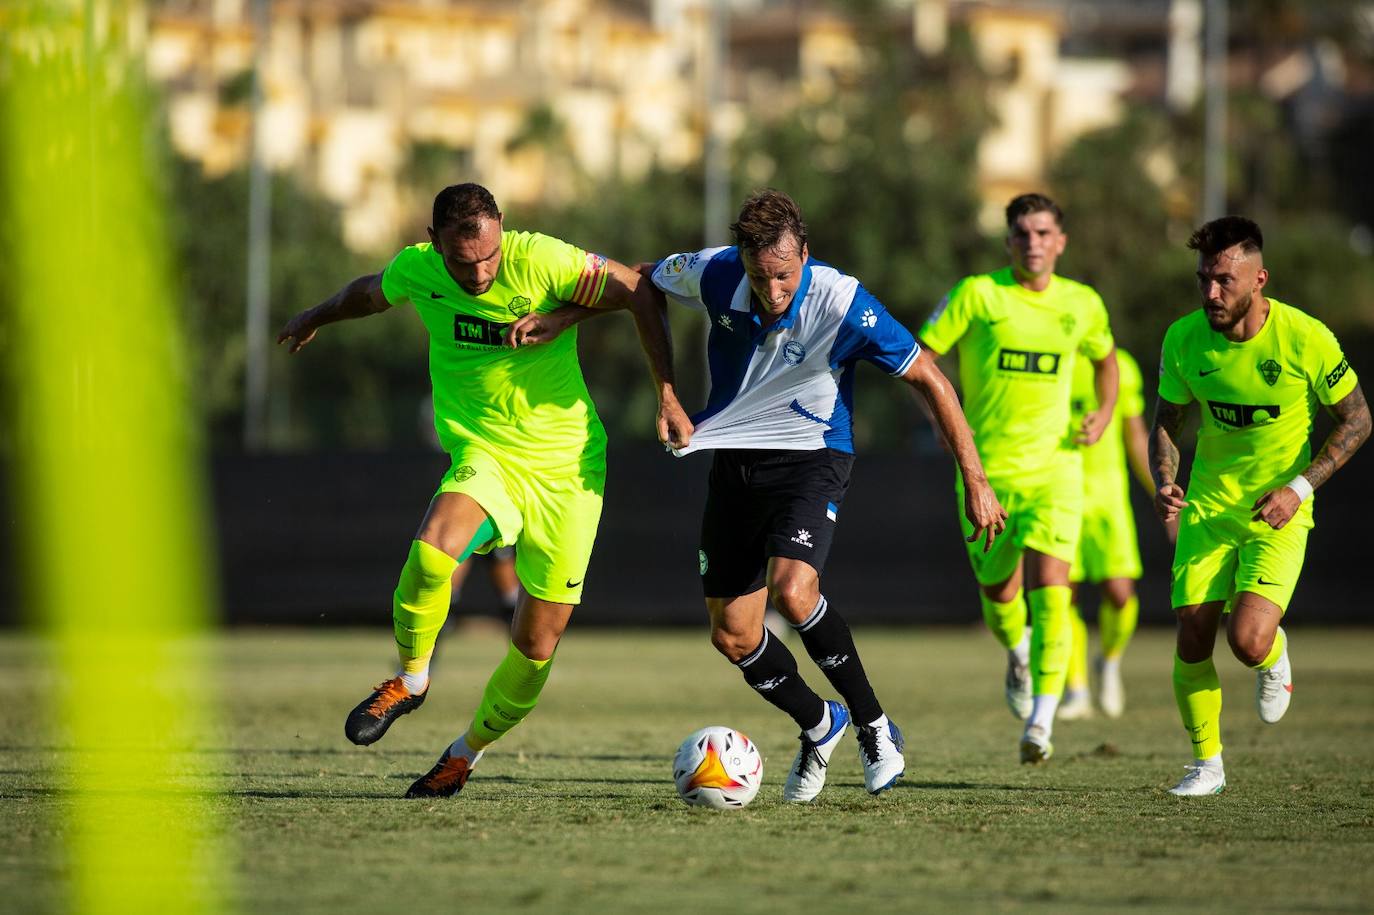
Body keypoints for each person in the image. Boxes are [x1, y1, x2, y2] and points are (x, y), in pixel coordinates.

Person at [509, 188, 1006, 801]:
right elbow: (639, 283)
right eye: (760, 276)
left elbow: (928, 375)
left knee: (794, 591)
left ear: (806, 257)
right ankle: (822, 724)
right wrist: (573, 321)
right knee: (734, 634)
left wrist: (975, 479)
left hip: (815, 456)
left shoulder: (843, 303)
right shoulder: (716, 271)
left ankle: (876, 726)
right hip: (735, 463)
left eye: (784, 276)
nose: (772, 291)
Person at [277, 182, 690, 799]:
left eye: (490, 256)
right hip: (486, 454)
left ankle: (463, 755)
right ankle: (411, 680)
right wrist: (315, 315)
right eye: (463, 261)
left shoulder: (542, 259)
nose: (479, 273)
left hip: (569, 470)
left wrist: (662, 390)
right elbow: (365, 294)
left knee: (534, 644)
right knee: (431, 551)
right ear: (432, 242)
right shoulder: (418, 271)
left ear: (502, 228)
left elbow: (639, 289)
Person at [1150, 216, 1369, 796]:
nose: (1210, 293)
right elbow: (1167, 424)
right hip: (1208, 508)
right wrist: (1166, 479)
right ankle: (1206, 767)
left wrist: (1299, 488)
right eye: (1203, 279)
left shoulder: (1307, 338)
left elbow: (1358, 420)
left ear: (1259, 278)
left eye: (1224, 280)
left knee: (1246, 641)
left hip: (1279, 512)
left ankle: (1274, 656)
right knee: (1193, 633)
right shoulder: (1183, 338)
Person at [919, 193, 1119, 764]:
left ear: (1061, 241)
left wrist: (1104, 413)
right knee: (999, 592)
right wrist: (941, 420)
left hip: (1058, 469)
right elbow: (918, 360)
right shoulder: (977, 294)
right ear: (1009, 242)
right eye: (1023, 234)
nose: (1033, 243)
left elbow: (1106, 360)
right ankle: (1018, 649)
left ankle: (1043, 719)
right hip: (986, 473)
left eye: (1043, 233)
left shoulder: (1083, 304)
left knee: (1054, 589)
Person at [1057, 347, 1157, 720]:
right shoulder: (1055, 358)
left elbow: (1135, 436)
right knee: (1063, 594)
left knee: (1120, 593)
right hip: (1060, 493)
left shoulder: (1122, 366)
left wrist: (1159, 492)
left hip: (1109, 499)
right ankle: (1077, 689)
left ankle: (1109, 662)